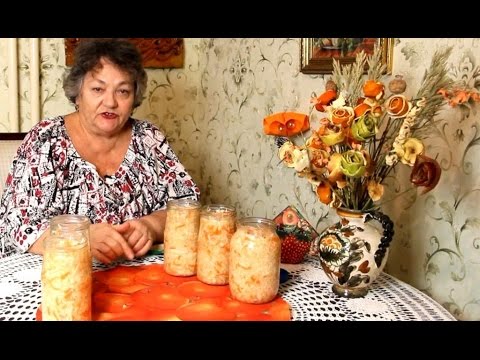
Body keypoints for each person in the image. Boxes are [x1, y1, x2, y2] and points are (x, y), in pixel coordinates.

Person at [0, 38, 200, 264]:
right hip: (58, 277)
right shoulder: (45, 140)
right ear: (78, 93)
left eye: (123, 91)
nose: (110, 102)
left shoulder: (149, 139)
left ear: (134, 97)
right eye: (98, 89)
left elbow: (187, 205)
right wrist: (79, 239)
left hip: (138, 277)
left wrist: (151, 226)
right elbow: (15, 227)